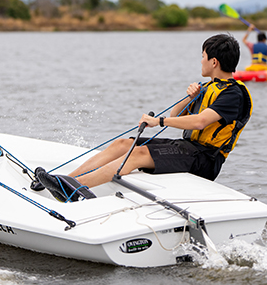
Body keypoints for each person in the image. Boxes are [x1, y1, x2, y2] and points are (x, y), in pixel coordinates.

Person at [35, 34, 253, 202]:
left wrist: (158, 122)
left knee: (138, 154)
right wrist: (189, 97)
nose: (201, 61)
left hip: (205, 160)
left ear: (214, 62)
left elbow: (199, 122)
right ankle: (63, 181)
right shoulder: (208, 88)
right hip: (189, 148)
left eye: (203, 57)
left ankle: (75, 188)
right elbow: (176, 115)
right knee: (123, 144)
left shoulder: (232, 94)